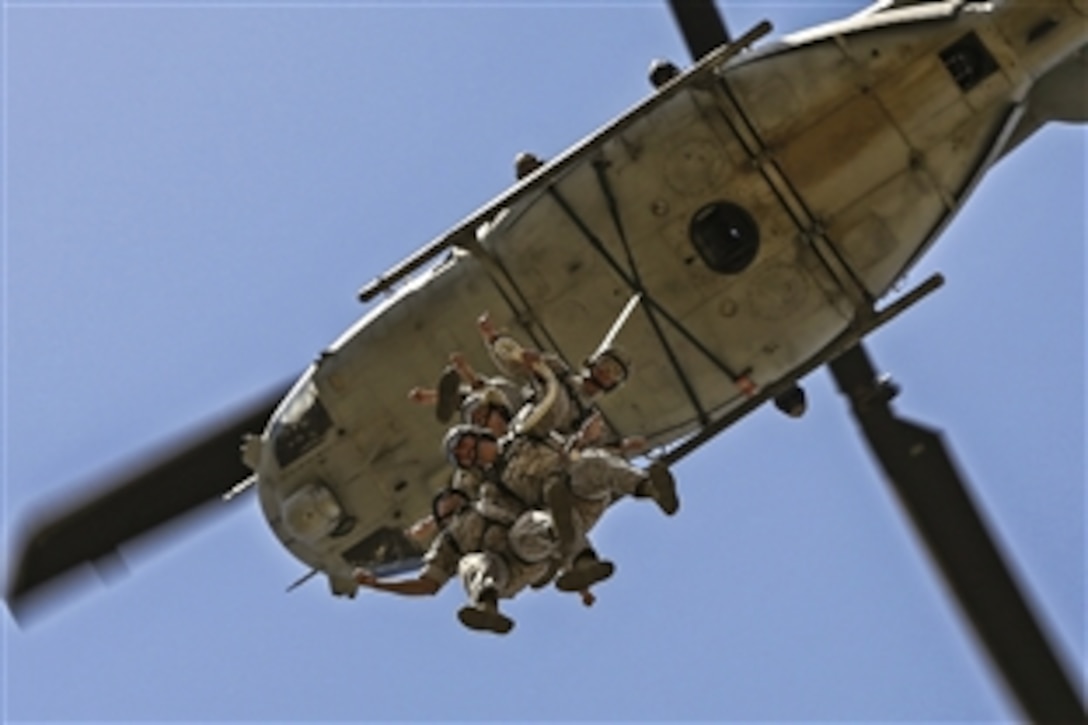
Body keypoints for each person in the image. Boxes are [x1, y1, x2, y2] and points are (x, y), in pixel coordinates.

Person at [354, 486, 563, 634]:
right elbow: (427, 584)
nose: (452, 508)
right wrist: (379, 585)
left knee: (531, 523)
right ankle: (485, 601)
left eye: (455, 501)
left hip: (526, 548)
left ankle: (565, 542)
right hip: (506, 574)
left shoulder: (491, 500)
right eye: (445, 512)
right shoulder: (447, 542)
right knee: (471, 563)